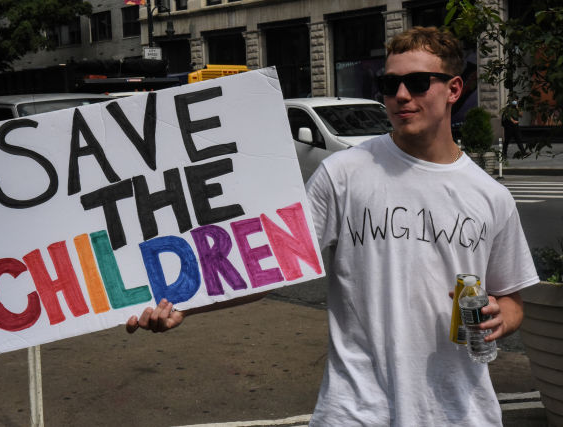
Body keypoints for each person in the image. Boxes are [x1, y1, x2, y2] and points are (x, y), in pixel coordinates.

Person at [126, 26, 540, 426]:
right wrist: (180, 300)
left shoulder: (491, 196)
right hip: (356, 411)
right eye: (389, 83)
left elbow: (512, 299)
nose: (400, 95)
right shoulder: (344, 172)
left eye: (417, 82)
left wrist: (499, 318)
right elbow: (269, 264)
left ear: (453, 89)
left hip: (460, 412)